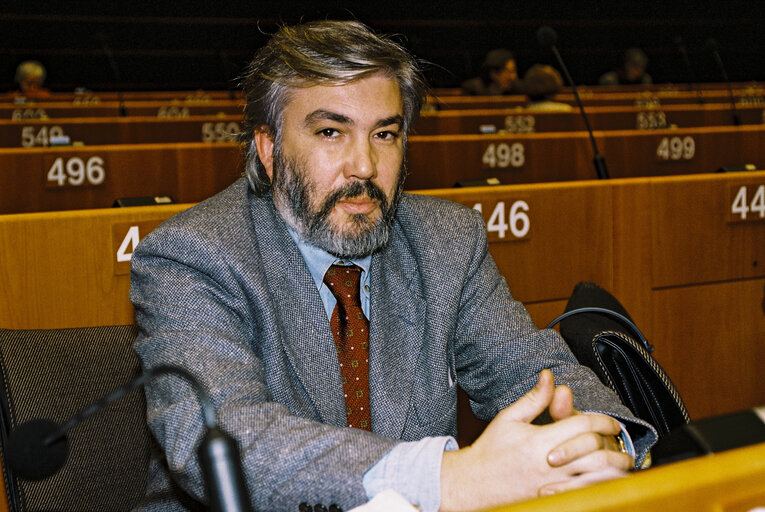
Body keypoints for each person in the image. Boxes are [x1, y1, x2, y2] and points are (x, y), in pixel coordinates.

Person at [130, 20, 657, 512]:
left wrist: (597, 439)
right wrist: (451, 479)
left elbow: (534, 371)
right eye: (330, 132)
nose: (365, 166)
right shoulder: (192, 254)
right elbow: (219, 441)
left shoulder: (446, 240)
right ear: (268, 149)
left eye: (384, 134)